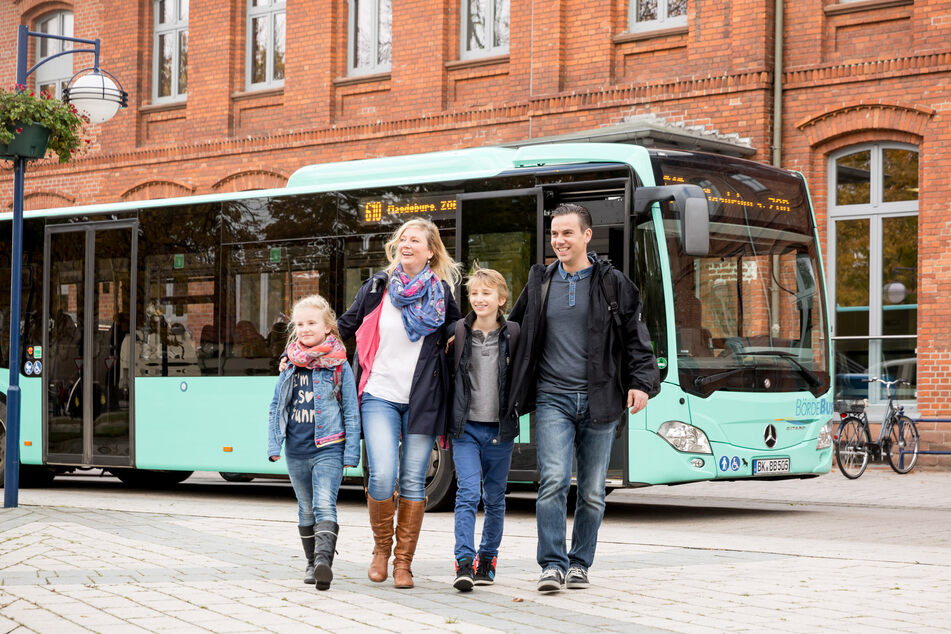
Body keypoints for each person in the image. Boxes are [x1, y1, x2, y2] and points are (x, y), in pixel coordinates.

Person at [507, 203, 660, 593]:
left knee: (592, 491)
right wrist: (470, 332)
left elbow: (636, 340)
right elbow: (513, 329)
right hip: (552, 397)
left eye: (567, 233)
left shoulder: (614, 283)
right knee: (554, 480)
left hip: (600, 399)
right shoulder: (540, 281)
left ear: (587, 236)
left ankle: (579, 563)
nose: (559, 241)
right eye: (555, 234)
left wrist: (641, 382)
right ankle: (552, 565)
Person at [337, 218, 461, 589]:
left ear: (430, 251)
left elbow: (459, 331)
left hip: (424, 397)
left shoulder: (440, 292)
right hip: (379, 394)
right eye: (403, 238)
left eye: (415, 240)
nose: (406, 244)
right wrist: (300, 351)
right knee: (382, 474)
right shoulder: (378, 286)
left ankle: (403, 563)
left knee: (412, 480)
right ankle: (380, 551)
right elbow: (344, 325)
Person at [267, 295, 360, 591]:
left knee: (324, 504)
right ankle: (311, 564)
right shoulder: (290, 364)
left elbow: (351, 408)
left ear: (328, 326)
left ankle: (323, 562)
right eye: (301, 324)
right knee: (305, 508)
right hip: (296, 449)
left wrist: (352, 452)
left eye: (312, 323)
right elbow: (276, 407)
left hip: (328, 447)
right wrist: (274, 445)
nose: (306, 329)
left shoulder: (339, 365)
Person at [447, 267, 519, 592]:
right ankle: (464, 561)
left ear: (501, 299)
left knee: (494, 498)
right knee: (467, 493)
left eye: (486, 293)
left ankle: (487, 560)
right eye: (474, 293)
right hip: (465, 429)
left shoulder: (514, 335)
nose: (479, 299)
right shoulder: (458, 333)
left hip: (500, 431)